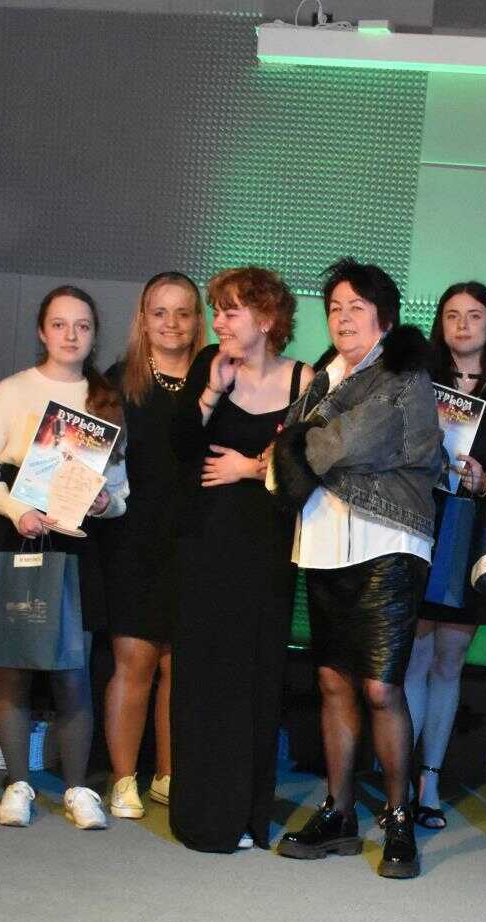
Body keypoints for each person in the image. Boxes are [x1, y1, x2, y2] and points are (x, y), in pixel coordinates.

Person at [270, 259, 445, 879]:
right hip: (323, 543)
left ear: (384, 318)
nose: (343, 318)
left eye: (357, 308)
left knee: (380, 686)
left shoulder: (405, 374)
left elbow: (345, 442)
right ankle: (339, 813)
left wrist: (293, 447)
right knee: (333, 682)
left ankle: (399, 819)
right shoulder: (322, 378)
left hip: (388, 540)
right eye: (335, 308)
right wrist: (295, 448)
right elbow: (307, 449)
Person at [0, 286, 127, 829]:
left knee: (73, 672)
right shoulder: (11, 391)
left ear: (94, 335)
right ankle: (18, 784)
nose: (70, 335)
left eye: (82, 326)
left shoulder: (106, 400)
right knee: (12, 669)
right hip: (18, 535)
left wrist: (104, 503)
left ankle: (78, 789)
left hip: (77, 543)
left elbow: (120, 493)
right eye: (59, 324)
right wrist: (17, 511)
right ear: (42, 331)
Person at [170, 267, 311, 852]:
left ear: (268, 319)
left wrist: (248, 469)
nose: (219, 322)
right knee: (202, 675)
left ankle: (248, 814)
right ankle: (201, 813)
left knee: (254, 676)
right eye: (217, 310)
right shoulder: (210, 364)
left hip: (266, 550)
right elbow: (178, 451)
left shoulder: (306, 379)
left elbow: (309, 468)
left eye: (231, 311)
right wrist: (209, 393)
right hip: (206, 545)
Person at [404, 281, 486, 828]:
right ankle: (400, 781)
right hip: (412, 523)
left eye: (474, 315)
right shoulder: (415, 378)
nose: (462, 325)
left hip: (470, 530)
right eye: (452, 315)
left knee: (449, 660)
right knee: (412, 655)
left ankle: (430, 781)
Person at [96, 272, 205, 819]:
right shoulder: (118, 383)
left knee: (179, 667)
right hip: (134, 539)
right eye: (159, 312)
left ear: (198, 320)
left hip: (197, 540)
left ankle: (167, 775)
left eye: (182, 312)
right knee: (134, 661)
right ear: (142, 319)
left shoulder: (218, 378)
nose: (171, 324)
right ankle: (123, 780)